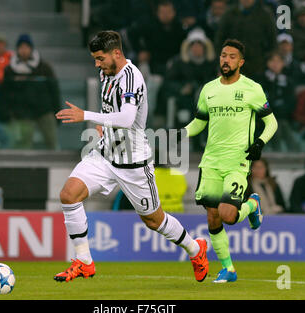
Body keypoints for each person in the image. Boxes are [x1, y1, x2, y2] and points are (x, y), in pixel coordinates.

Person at [54, 31, 208, 283]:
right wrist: (103, 125)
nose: (97, 64)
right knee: (68, 195)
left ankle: (195, 249)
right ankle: (83, 261)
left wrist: (86, 116)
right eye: (94, 59)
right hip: (105, 155)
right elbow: (113, 113)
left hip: (133, 163)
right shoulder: (106, 73)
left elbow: (126, 118)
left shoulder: (132, 78)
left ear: (116, 53)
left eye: (100, 58)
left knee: (153, 220)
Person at [182, 39, 278, 283]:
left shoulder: (252, 89)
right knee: (213, 216)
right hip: (211, 161)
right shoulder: (208, 89)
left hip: (238, 161)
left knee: (227, 215)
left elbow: (272, 122)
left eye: (232, 56)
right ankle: (229, 269)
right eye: (223, 55)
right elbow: (200, 122)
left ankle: (253, 205)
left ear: (241, 62)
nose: (226, 60)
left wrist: (260, 143)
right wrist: (180, 134)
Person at [1, 34, 60, 150]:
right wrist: (8, 112)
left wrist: (57, 111)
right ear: (17, 49)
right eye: (21, 47)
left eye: (26, 47)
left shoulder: (44, 67)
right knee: (24, 145)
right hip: (22, 113)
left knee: (52, 141)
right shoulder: (10, 70)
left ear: (31, 48)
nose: (24, 50)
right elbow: (5, 93)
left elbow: (54, 90)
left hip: (44, 110)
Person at [155, 28, 217, 132]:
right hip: (183, 99)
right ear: (189, 47)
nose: (196, 48)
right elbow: (167, 82)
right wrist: (182, 88)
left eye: (199, 45)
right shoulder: (178, 62)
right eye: (194, 45)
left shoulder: (213, 63)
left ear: (205, 47)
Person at [215, 0, 277, 78]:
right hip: (233, 67)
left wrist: (267, 61)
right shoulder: (229, 15)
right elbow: (220, 42)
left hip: (258, 69)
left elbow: (272, 42)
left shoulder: (265, 15)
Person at [128, 0, 187, 76]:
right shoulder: (149, 25)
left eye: (168, 12)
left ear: (174, 12)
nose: (165, 15)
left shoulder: (180, 28)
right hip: (153, 61)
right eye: (162, 12)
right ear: (157, 13)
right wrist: (140, 50)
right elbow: (132, 34)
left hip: (174, 62)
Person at [256, 51, 298, 151]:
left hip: (284, 118)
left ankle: (293, 153)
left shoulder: (288, 81)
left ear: (283, 64)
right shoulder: (260, 79)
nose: (275, 64)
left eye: (278, 61)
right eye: (272, 61)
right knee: (276, 124)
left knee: (280, 124)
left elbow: (291, 102)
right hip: (263, 119)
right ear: (267, 63)